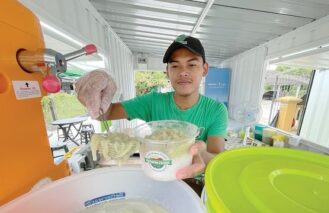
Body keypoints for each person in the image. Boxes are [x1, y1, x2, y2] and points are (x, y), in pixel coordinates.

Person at [76, 34, 228, 194]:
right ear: (167, 72)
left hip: (195, 186)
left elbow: (216, 160)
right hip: (158, 180)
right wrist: (98, 84)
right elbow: (103, 114)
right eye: (175, 66)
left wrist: (202, 154)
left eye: (191, 65)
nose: (183, 72)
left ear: (204, 69)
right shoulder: (153, 102)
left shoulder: (216, 110)